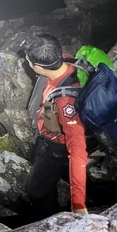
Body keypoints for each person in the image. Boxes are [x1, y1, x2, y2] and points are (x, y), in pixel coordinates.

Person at [20, 33, 89, 219]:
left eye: (28, 62)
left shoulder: (66, 102)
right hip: (47, 135)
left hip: (55, 147)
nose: (27, 64)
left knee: (36, 191)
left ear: (39, 68)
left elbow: (78, 152)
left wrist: (78, 204)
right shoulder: (65, 59)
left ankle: (51, 217)